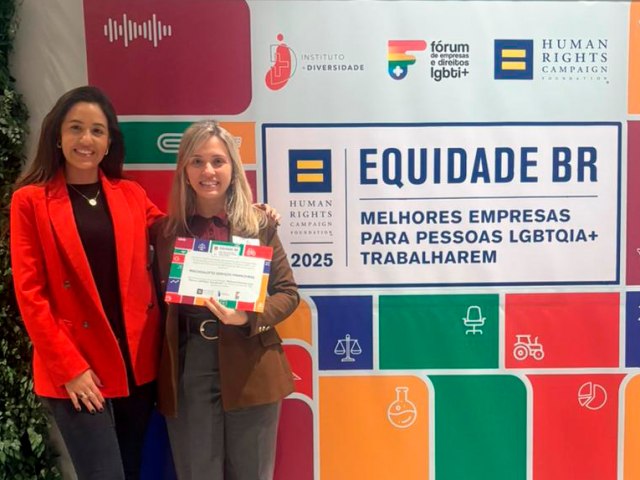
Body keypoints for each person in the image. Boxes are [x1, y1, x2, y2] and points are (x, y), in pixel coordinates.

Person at [10, 86, 164, 479]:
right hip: (77, 369)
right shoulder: (30, 201)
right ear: (57, 136)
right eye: (76, 128)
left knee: (130, 471)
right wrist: (70, 368)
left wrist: (246, 221)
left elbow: (175, 236)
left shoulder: (131, 194)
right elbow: (30, 294)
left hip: (135, 367)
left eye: (97, 130)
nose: (86, 139)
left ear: (109, 141)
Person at [151, 120, 299, 480]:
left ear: (233, 168)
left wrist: (247, 318)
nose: (208, 171)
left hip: (251, 362)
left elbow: (288, 293)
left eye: (218, 161)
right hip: (189, 366)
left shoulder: (259, 225)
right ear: (184, 170)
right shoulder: (164, 232)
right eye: (197, 161)